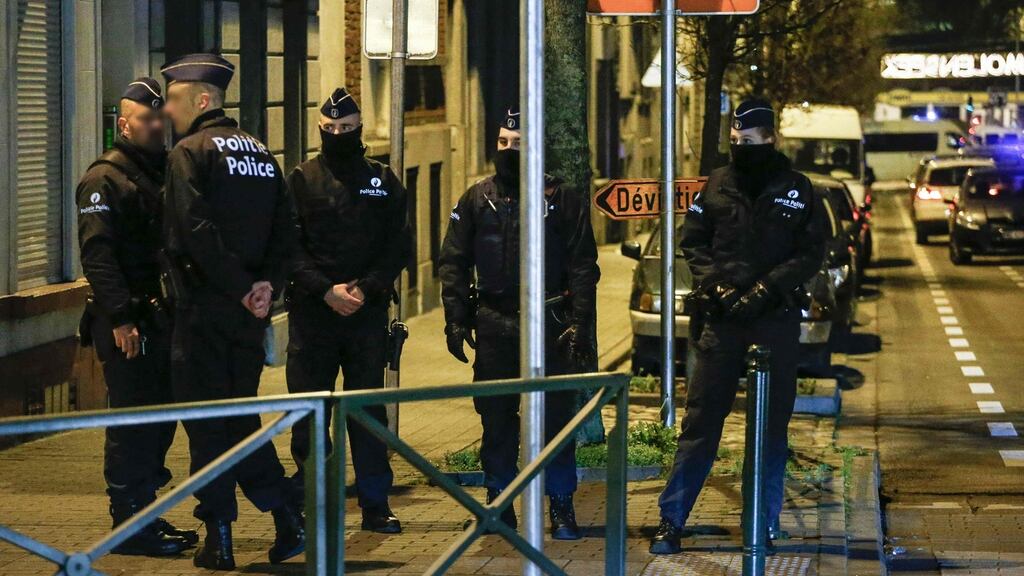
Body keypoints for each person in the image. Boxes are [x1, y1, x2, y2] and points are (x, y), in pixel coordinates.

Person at [649, 98, 825, 555]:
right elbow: (694, 242)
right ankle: (671, 520)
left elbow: (811, 253)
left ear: (770, 139)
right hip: (722, 323)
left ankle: (761, 524)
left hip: (774, 323)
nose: (739, 147)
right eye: (734, 140)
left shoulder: (798, 188)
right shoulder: (717, 185)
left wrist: (768, 288)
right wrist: (720, 289)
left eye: (748, 141)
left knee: (769, 430)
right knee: (701, 425)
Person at [160, 53, 304, 570]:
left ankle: (219, 536)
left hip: (203, 311)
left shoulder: (189, 152)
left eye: (174, 99)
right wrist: (265, 289)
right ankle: (286, 514)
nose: (168, 110)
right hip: (250, 316)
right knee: (241, 418)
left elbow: (193, 232)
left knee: (206, 424)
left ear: (201, 100)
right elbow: (285, 230)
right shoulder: (262, 154)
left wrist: (242, 287)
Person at [438, 108, 600, 540]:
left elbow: (584, 265)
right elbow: (453, 261)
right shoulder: (477, 198)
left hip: (550, 323)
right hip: (495, 322)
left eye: (519, 142)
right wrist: (455, 318)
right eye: (504, 142)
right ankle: (499, 502)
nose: (509, 150)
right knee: (496, 418)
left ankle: (561, 504)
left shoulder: (562, 199)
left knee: (556, 420)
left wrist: (581, 322)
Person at [76, 78, 198, 557]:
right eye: (146, 119)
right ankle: (128, 526)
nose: (156, 125)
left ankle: (144, 515)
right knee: (133, 427)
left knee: (158, 422)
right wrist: (122, 318)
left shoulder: (162, 169)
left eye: (159, 117)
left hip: (160, 318)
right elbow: (99, 257)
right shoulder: (104, 179)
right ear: (124, 124)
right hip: (128, 324)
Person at [285, 87, 409, 533]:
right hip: (313, 314)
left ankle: (375, 504)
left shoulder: (382, 180)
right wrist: (325, 291)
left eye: (346, 128)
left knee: (367, 412)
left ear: (359, 130)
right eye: (330, 128)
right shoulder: (301, 179)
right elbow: (289, 247)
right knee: (310, 411)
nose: (337, 134)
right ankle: (313, 499)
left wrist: (365, 288)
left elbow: (398, 244)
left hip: (365, 315)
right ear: (321, 127)